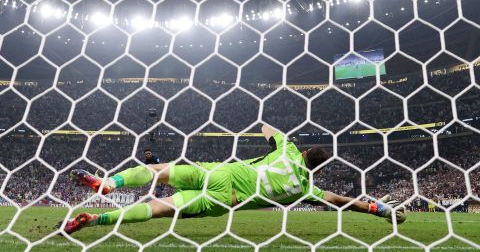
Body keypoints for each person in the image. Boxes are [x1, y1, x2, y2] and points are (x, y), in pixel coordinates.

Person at [61, 125, 406, 234]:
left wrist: (280, 137)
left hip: (220, 171)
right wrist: (378, 209)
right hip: (223, 200)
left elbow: (266, 127)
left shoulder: (287, 150)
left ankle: (109, 184)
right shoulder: (305, 187)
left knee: (156, 170)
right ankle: (95, 219)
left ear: (302, 155)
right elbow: (340, 202)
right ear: (315, 168)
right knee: (157, 208)